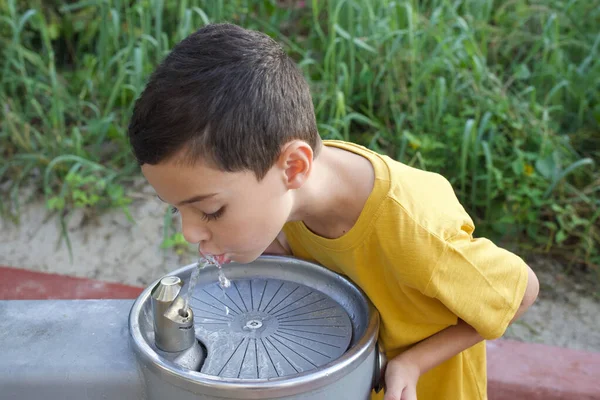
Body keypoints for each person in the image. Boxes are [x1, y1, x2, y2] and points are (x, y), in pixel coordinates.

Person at [127, 23, 539, 400]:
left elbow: (520, 293)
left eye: (212, 211)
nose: (189, 233)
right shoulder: (292, 192)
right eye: (178, 210)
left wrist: (412, 362)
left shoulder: (414, 231)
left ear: (293, 167)